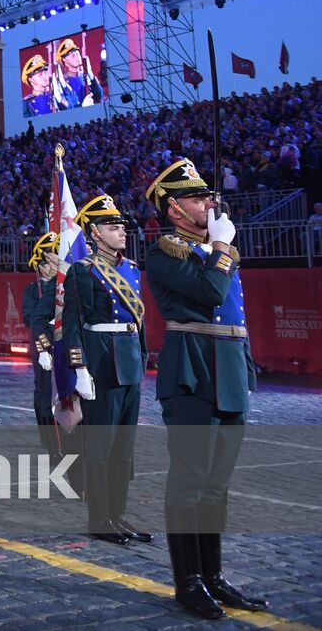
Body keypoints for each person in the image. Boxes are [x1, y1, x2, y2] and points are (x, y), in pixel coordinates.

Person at [143, 158, 268, 618]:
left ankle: (214, 576)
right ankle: (189, 581)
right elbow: (212, 294)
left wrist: (219, 247)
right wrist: (220, 248)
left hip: (231, 369)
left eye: (208, 196)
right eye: (198, 197)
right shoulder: (165, 252)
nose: (209, 203)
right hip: (193, 372)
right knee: (190, 482)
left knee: (217, 485)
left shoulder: (216, 248)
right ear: (175, 209)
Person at [60, 193, 151, 546]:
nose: (121, 232)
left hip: (128, 363)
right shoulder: (83, 271)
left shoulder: (130, 269)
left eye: (122, 227)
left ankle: (119, 514)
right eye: (113, 227)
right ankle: (99, 517)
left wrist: (142, 357)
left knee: (123, 448)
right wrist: (79, 368)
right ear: (94, 232)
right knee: (100, 447)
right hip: (101, 364)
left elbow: (137, 322)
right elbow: (72, 324)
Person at [23, 233, 60, 444]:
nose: (51, 265)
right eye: (47, 262)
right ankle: (48, 436)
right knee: (43, 391)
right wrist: (44, 348)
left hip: (61, 344)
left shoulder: (61, 284)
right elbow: (31, 319)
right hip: (42, 346)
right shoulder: (33, 290)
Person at [55, 38, 102, 110]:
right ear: (64, 60)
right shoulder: (64, 82)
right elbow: (67, 107)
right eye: (72, 55)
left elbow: (99, 95)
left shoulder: (86, 76)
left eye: (77, 53)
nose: (77, 56)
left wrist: (91, 75)